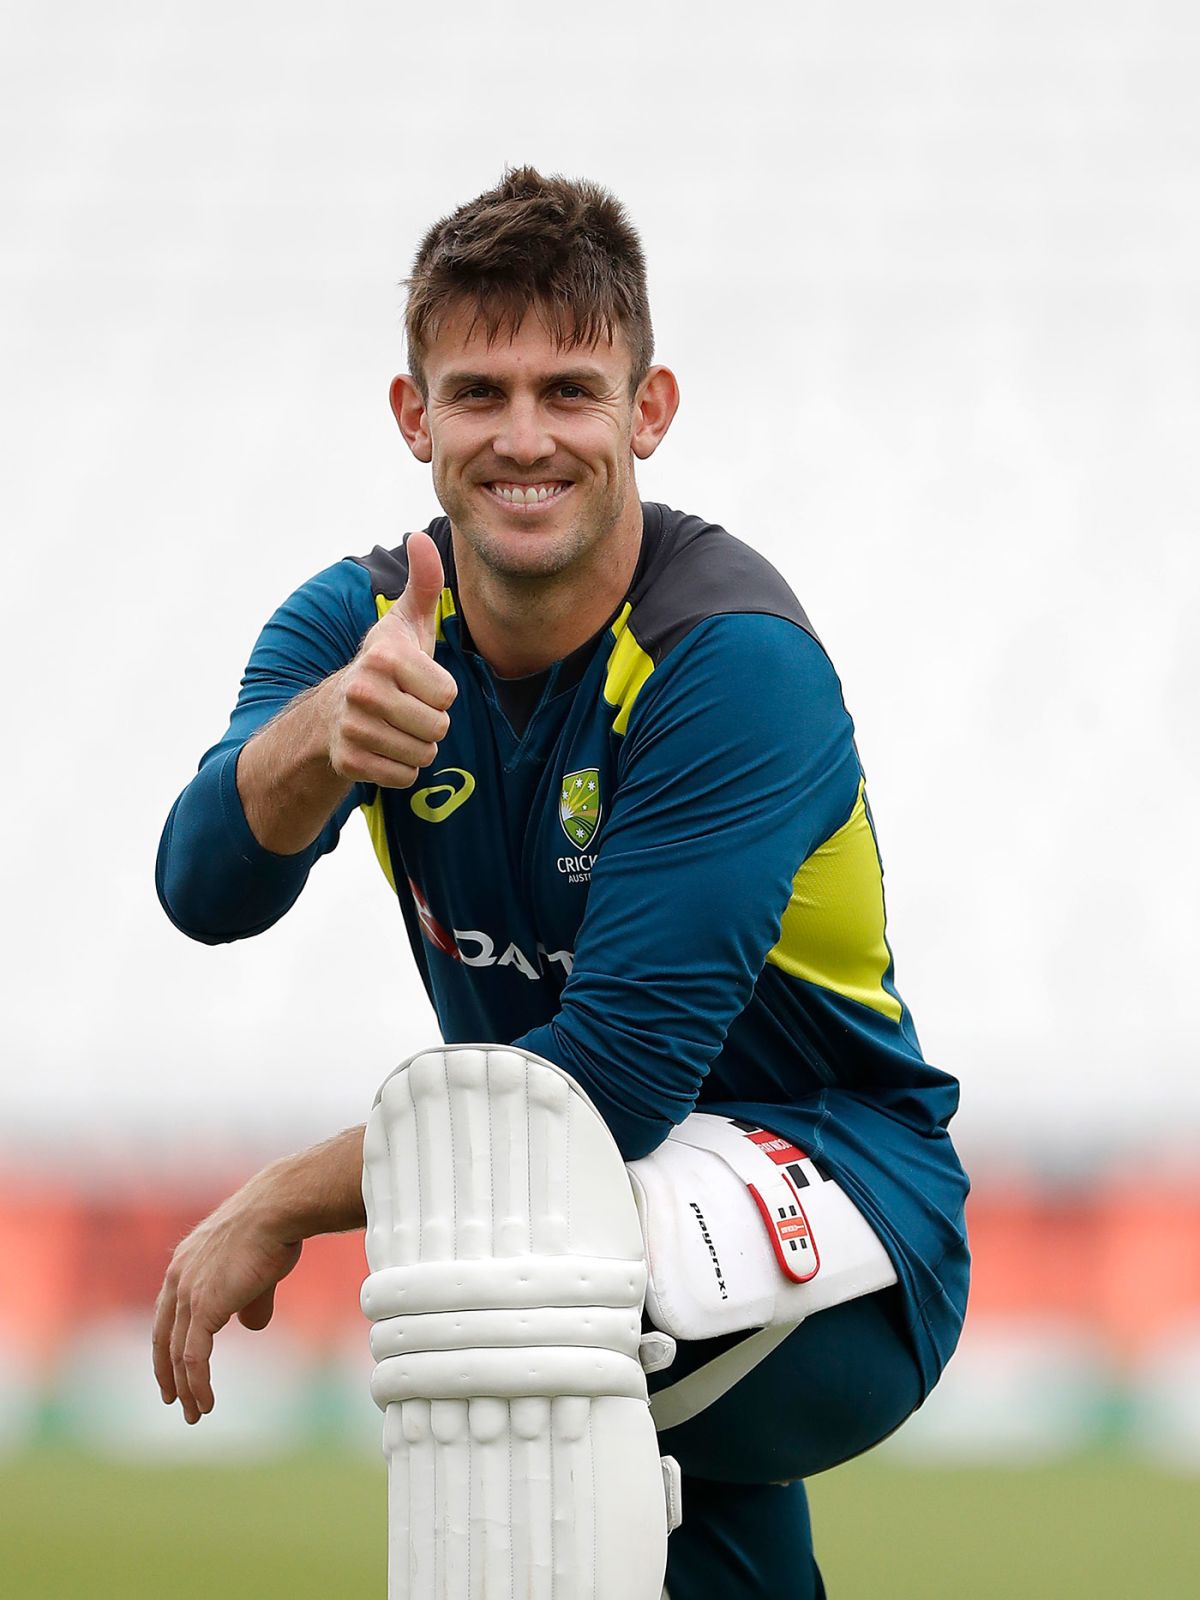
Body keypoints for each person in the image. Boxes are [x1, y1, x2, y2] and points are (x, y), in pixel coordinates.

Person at [153, 167, 969, 1598]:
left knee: (506, 1258)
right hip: (600, 1221)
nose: (522, 437)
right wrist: (321, 738)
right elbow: (204, 885)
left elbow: (618, 1082)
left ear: (647, 412)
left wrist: (281, 1197)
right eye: (477, 394)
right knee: (548, 1277)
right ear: (415, 419)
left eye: (569, 392)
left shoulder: (733, 661)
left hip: (853, 1212)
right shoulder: (366, 625)